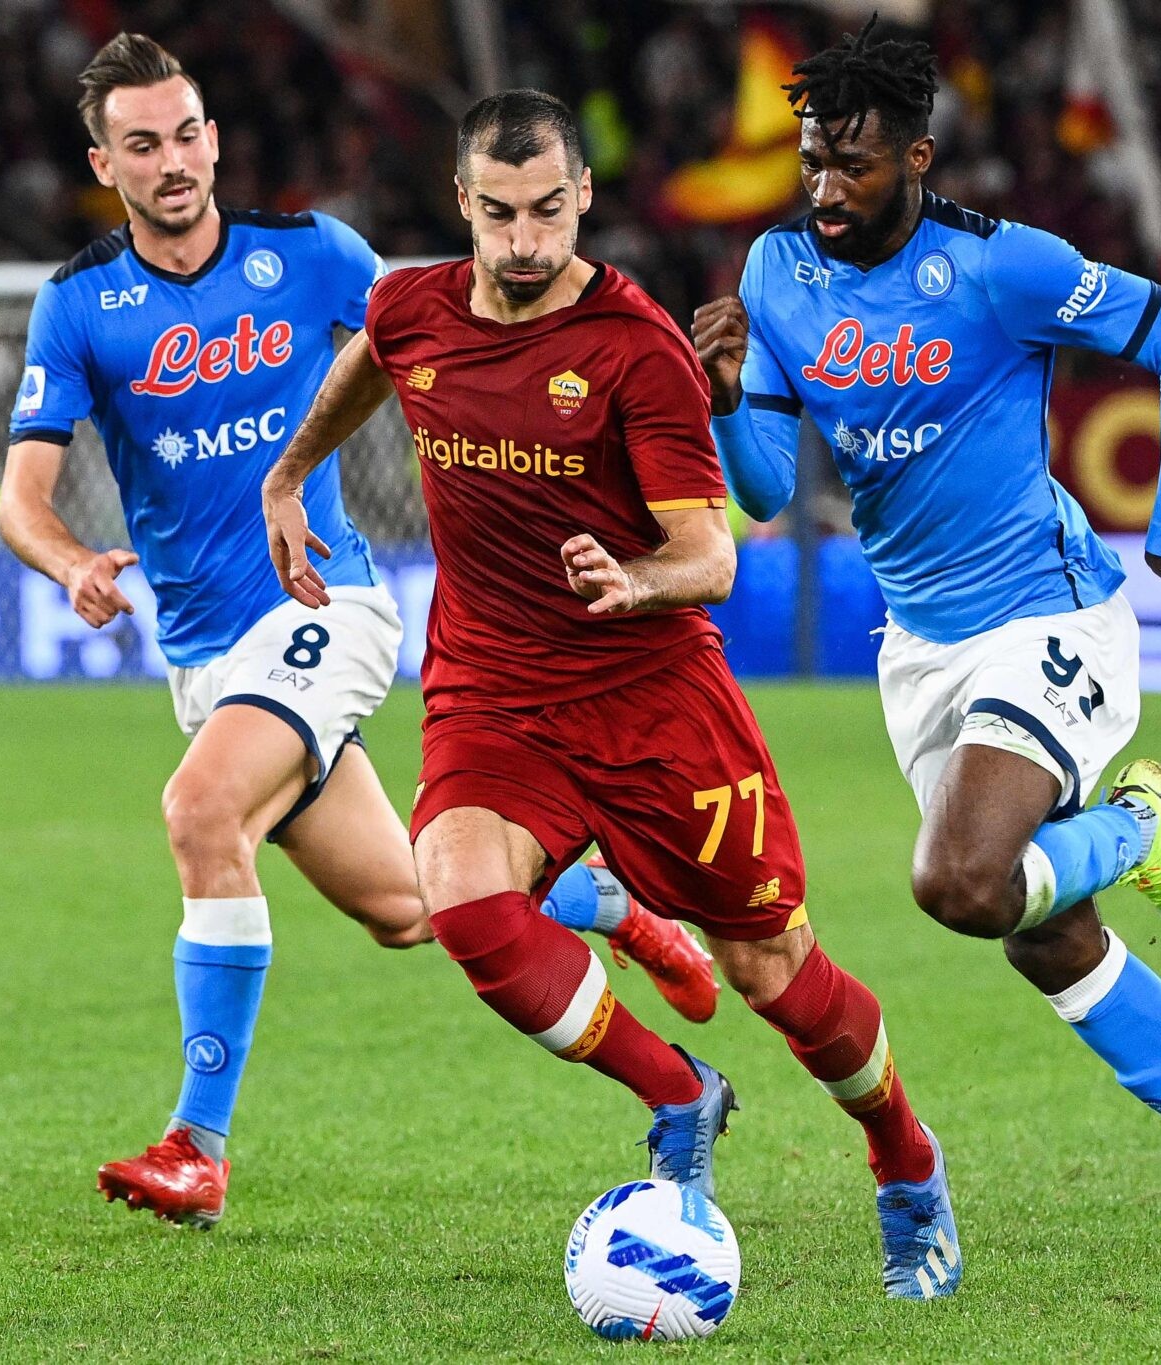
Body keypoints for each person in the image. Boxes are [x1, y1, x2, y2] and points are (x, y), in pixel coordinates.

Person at [0, 35, 715, 1230]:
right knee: (409, 910)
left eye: (185, 134)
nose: (171, 162)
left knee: (198, 811)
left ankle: (197, 1143)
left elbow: (459, 325)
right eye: (141, 145)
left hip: (323, 611)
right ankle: (608, 906)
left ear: (213, 139)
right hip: (204, 654)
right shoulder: (79, 304)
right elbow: (25, 493)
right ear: (102, 162)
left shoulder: (313, 256)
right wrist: (73, 559)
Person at [261, 89, 961, 1300]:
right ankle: (677, 1093)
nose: (523, 241)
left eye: (545, 212)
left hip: (652, 703)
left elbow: (713, 555)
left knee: (774, 977)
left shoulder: (633, 349)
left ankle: (904, 1161)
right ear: (462, 204)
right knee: (461, 900)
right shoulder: (412, 305)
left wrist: (634, 580)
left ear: (581, 197)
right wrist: (288, 475)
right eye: (497, 214)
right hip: (492, 688)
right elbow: (371, 359)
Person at [694, 20, 1161, 1272]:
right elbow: (768, 489)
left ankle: (1141, 829)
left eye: (856, 165)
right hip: (921, 652)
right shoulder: (776, 272)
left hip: (1049, 619)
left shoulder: (1001, 270)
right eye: (812, 160)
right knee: (1042, 934)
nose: (825, 188)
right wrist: (724, 404)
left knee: (958, 884)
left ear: (920, 158)